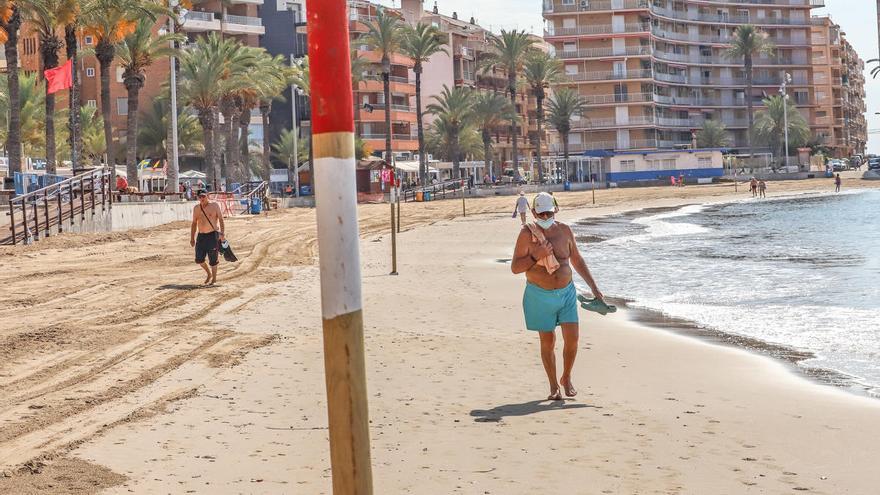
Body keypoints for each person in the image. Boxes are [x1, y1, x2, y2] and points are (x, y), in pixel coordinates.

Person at [511, 192, 606, 401]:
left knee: (572, 340)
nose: (545, 217)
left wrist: (594, 287)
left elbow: (577, 261)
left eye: (549, 213)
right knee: (548, 341)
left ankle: (567, 377)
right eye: (541, 214)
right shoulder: (527, 235)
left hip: (567, 294)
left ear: (556, 210)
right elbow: (515, 267)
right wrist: (537, 255)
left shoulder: (565, 231)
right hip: (539, 295)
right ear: (534, 212)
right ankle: (554, 386)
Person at [190, 190, 225, 285]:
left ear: (207, 196)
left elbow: (221, 220)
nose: (201, 198)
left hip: (212, 235)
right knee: (199, 259)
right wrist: (192, 238)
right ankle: (209, 274)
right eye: (199, 197)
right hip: (201, 236)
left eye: (203, 196)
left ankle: (214, 279)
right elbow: (194, 223)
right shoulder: (196, 208)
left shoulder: (214, 206)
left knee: (213, 259)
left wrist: (222, 233)